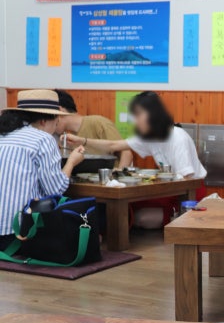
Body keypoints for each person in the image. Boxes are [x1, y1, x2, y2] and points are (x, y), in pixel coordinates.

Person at [0, 90, 85, 249]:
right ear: (45, 120)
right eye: (57, 120)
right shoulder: (42, 139)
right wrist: (71, 162)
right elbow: (55, 190)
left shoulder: (4, 133)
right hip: (17, 232)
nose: (57, 125)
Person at [64, 91, 206, 180]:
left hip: (189, 194)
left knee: (141, 217)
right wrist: (81, 140)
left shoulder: (177, 138)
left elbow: (187, 179)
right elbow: (113, 145)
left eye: (138, 115)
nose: (135, 120)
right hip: (172, 190)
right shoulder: (150, 136)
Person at [54, 89, 133, 168]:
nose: (49, 122)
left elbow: (126, 152)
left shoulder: (98, 123)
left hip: (108, 178)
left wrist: (117, 178)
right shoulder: (64, 137)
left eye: (50, 116)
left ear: (60, 110)